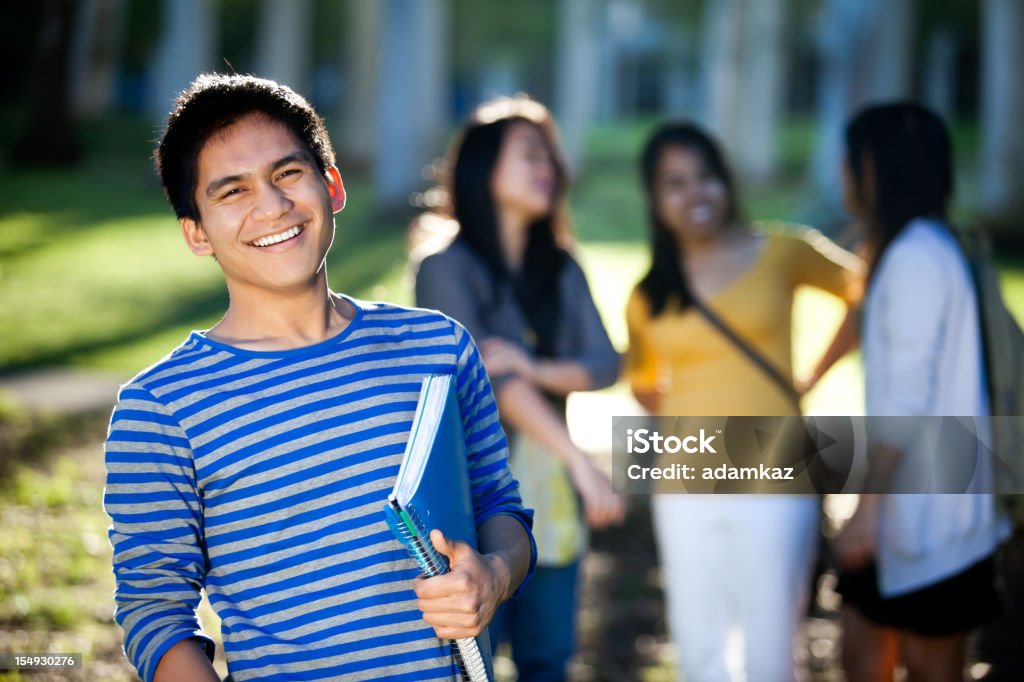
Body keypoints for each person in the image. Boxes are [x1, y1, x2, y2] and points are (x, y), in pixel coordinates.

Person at [103, 73, 536, 682]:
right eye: (232, 191)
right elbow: (156, 612)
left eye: (287, 174)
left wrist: (493, 576)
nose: (273, 206)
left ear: (331, 185)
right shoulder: (161, 407)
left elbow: (500, 507)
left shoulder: (438, 347)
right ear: (196, 231)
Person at [625, 121, 862, 681]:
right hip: (684, 482)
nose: (694, 193)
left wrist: (810, 378)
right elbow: (641, 381)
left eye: (705, 176)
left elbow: (867, 292)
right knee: (698, 642)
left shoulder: (783, 250)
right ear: (656, 201)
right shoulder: (648, 294)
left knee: (772, 645)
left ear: (725, 181)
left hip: (776, 467)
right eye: (674, 183)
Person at [413, 95, 624, 681]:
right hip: (474, 512)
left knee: (547, 661)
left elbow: (606, 363)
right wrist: (582, 462)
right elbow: (491, 381)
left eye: (550, 157)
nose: (548, 168)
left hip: (552, 502)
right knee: (470, 664)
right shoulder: (444, 266)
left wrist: (537, 368)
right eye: (530, 155)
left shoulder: (561, 267)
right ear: (483, 168)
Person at [835, 102, 1010, 682]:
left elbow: (906, 403)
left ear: (876, 169)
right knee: (862, 650)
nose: (841, 170)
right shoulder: (920, 247)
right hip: (920, 506)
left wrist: (865, 510)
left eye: (850, 157)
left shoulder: (915, 258)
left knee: (925, 666)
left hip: (932, 517)